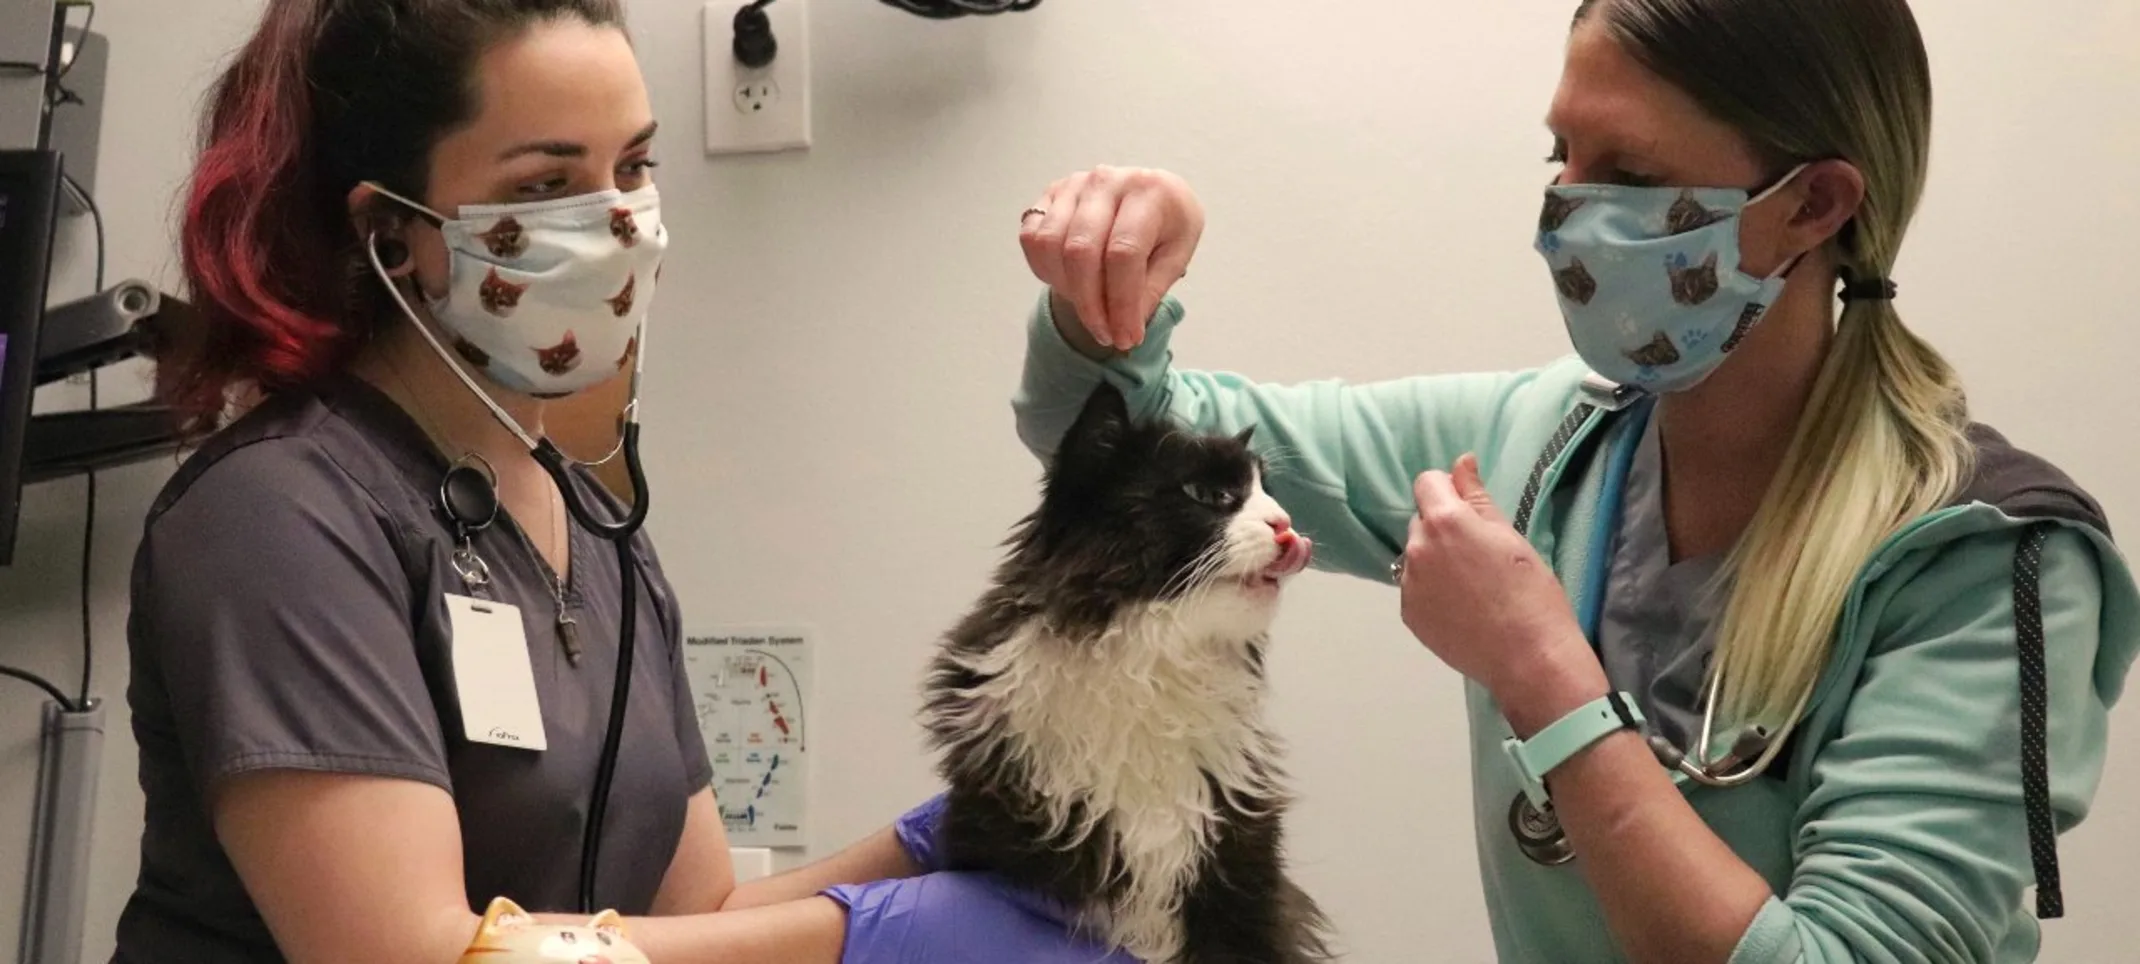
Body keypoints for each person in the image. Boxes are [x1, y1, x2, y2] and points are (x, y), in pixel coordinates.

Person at [1005, 1, 2137, 961]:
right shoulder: (1537, 442)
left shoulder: (1984, 556)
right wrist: (1112, 291)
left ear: (1813, 205)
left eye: (1633, 175)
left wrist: (1542, 673)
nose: (1567, 219)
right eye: (1563, 160)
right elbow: (1104, 445)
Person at [118, 1, 1127, 962]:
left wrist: (934, 846)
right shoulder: (280, 514)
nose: (618, 226)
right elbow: (399, 948)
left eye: (633, 168)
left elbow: (700, 920)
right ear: (393, 234)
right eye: (546, 185)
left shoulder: (593, 525)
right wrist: (857, 939)